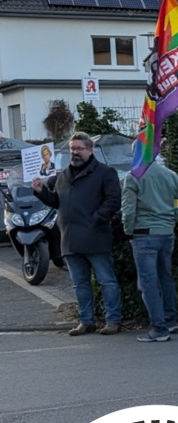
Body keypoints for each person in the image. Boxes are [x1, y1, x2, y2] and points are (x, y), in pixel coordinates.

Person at [32, 131, 123, 336]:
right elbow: (58, 202)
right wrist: (41, 192)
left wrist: (95, 220)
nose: (75, 152)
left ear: (90, 150)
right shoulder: (63, 176)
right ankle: (86, 321)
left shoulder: (105, 173)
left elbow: (113, 201)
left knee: (106, 280)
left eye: (79, 149)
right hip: (70, 239)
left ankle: (113, 320)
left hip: (95, 237)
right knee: (80, 284)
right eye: (72, 148)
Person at [122, 149, 178, 342]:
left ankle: (159, 328)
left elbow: (129, 211)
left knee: (147, 283)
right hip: (166, 233)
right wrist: (170, 223)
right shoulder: (172, 175)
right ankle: (170, 320)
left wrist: (128, 231)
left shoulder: (132, 177)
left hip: (143, 234)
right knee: (166, 278)